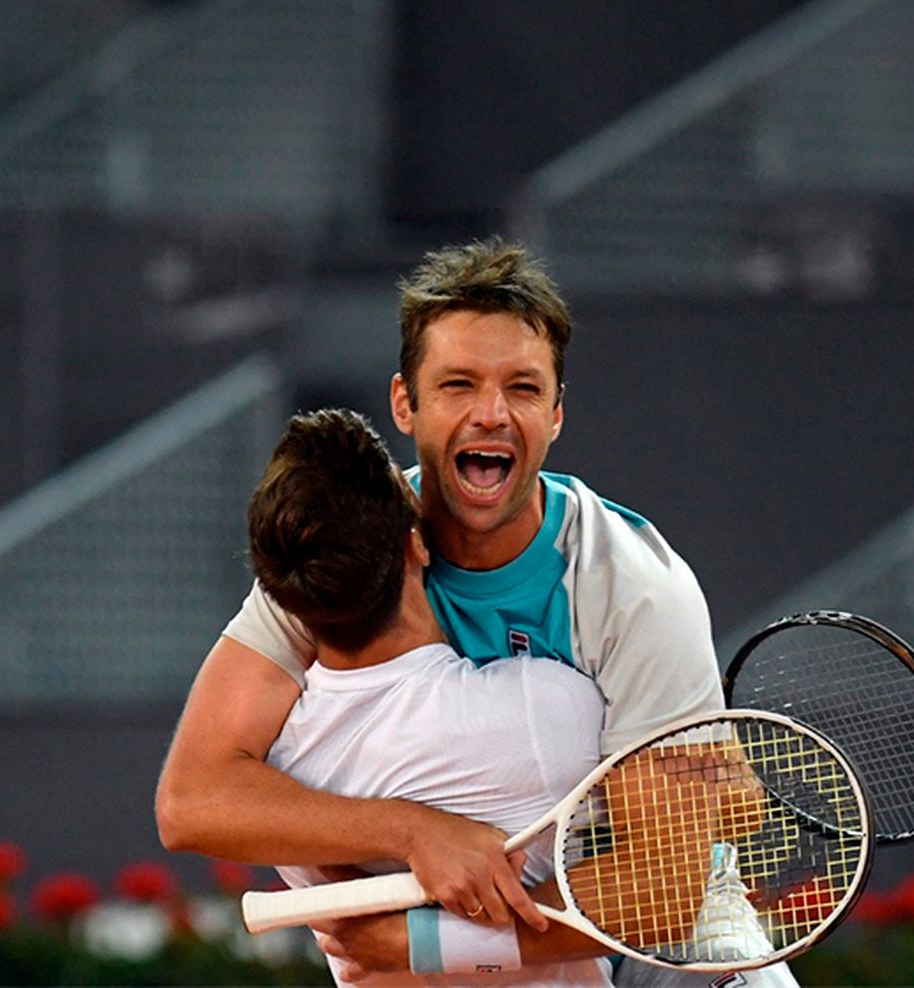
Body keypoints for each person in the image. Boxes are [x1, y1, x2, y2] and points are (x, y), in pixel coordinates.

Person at [156, 239, 796, 986]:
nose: (491, 413)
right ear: (406, 403)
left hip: (666, 955)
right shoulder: (352, 539)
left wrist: (422, 943)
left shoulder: (634, 589)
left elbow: (664, 893)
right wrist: (417, 832)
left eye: (522, 389)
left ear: (556, 415)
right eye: (458, 384)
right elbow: (192, 798)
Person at [245, 407, 612, 984]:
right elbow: (664, 869)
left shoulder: (281, 780)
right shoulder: (550, 709)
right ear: (416, 542)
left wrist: (420, 941)